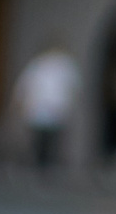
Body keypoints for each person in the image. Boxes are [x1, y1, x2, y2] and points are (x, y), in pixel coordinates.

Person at [14, 42, 78, 173]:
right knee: (43, 138)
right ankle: (42, 163)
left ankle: (46, 163)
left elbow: (73, 87)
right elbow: (25, 85)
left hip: (53, 108)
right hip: (42, 108)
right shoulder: (40, 64)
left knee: (50, 138)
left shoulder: (62, 65)